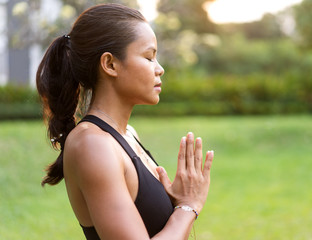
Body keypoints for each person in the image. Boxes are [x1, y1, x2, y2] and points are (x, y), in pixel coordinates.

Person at [36, 3, 214, 240]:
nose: (159, 69)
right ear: (110, 64)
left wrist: (176, 202)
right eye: (149, 57)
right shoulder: (92, 144)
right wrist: (188, 206)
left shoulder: (127, 134)